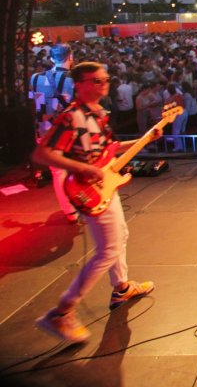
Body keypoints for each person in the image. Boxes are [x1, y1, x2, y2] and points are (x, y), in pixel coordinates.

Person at [31, 62, 161, 343]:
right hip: (87, 188)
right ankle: (62, 311)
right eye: (97, 80)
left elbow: (110, 149)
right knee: (108, 250)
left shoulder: (99, 115)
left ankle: (122, 287)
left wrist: (144, 139)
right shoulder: (71, 117)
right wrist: (83, 169)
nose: (104, 85)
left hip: (105, 183)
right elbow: (43, 154)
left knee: (120, 237)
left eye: (106, 80)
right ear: (79, 84)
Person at [29, 43, 77, 223]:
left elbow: (33, 102)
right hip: (66, 133)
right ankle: (80, 202)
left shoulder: (34, 78)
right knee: (76, 168)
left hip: (43, 131)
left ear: (51, 58)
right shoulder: (73, 79)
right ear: (70, 57)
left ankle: (69, 211)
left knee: (58, 172)